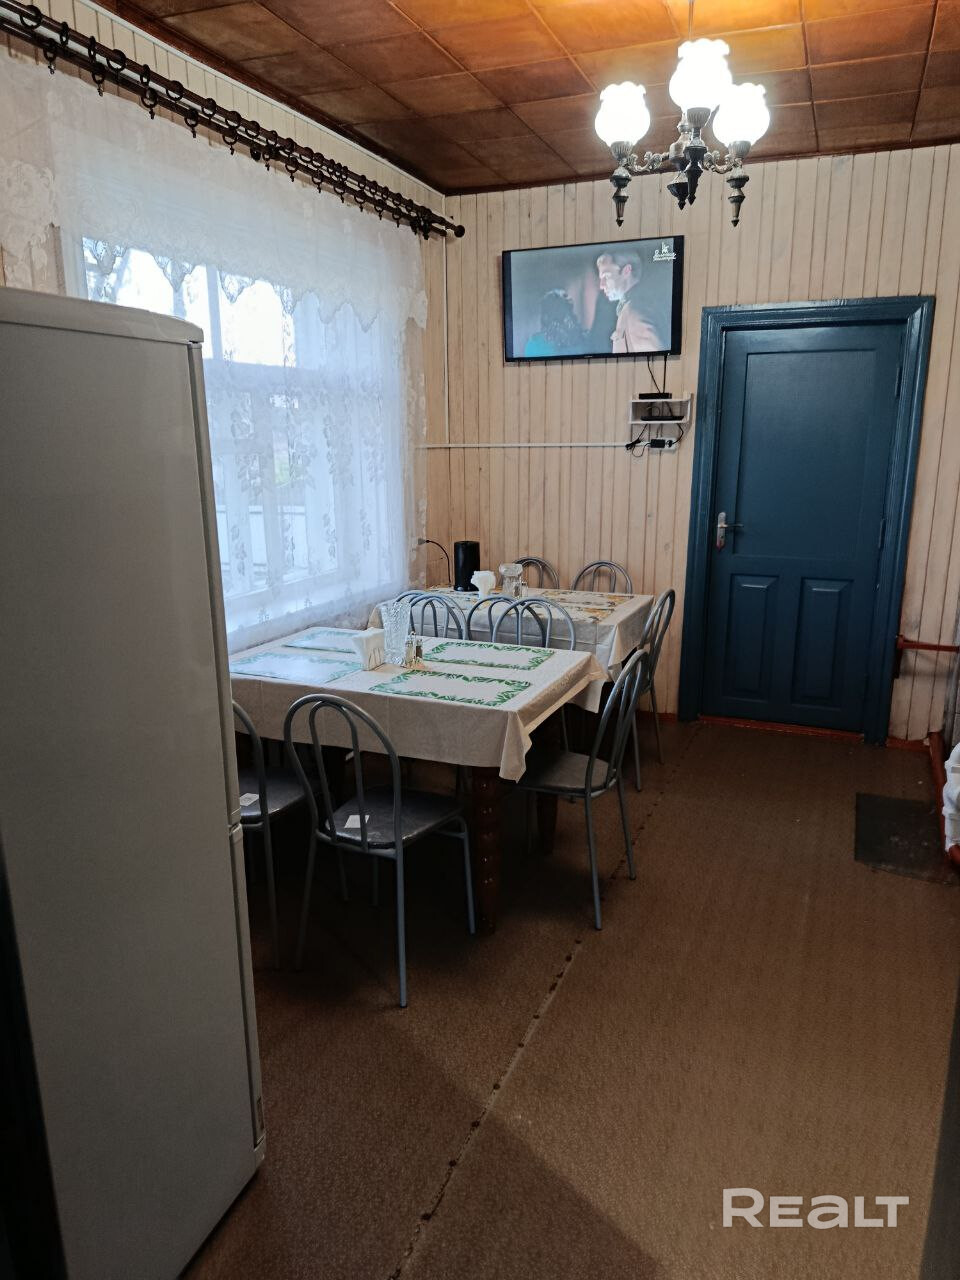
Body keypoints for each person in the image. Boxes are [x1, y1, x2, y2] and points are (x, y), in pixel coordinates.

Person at [596, 250, 665, 353]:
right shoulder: (634, 306)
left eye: (606, 276)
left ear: (627, 271)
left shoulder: (636, 310)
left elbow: (654, 359)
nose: (601, 285)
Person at [523, 289, 585, 357]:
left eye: (561, 312)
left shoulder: (582, 339)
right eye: (555, 311)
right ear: (545, 317)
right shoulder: (534, 344)